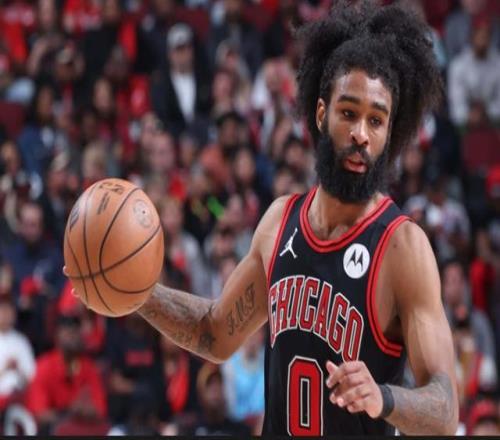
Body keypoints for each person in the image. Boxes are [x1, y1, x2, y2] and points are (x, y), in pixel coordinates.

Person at [65, 0, 459, 435]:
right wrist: (133, 290)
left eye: (376, 121)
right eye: (349, 113)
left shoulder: (402, 247)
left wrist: (385, 397)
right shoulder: (279, 222)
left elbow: (445, 412)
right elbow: (215, 332)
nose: (361, 134)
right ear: (322, 113)